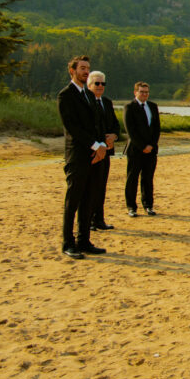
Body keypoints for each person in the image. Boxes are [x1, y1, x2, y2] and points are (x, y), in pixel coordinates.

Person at [57, 55, 107, 259]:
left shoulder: (88, 94)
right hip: (77, 155)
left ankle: (84, 240)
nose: (86, 71)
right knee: (73, 200)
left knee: (88, 199)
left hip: (94, 155)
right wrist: (95, 145)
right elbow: (72, 127)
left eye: (88, 68)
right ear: (72, 71)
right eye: (82, 68)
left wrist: (101, 145)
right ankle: (68, 243)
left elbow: (95, 124)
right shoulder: (65, 95)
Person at [87, 70, 121, 231]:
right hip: (91, 151)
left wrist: (114, 136)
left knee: (101, 186)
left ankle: (99, 220)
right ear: (89, 85)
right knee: (89, 188)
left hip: (106, 150)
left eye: (103, 83)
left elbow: (115, 124)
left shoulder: (106, 102)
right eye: (97, 83)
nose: (100, 86)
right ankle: (88, 221)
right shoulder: (86, 102)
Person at [123, 81, 161, 217]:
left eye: (146, 92)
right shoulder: (129, 107)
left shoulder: (152, 106)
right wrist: (142, 146)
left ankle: (148, 205)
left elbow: (156, 128)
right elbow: (130, 130)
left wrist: (151, 145)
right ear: (135, 92)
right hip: (135, 150)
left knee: (148, 179)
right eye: (141, 92)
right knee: (132, 179)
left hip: (151, 151)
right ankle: (131, 207)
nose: (144, 94)